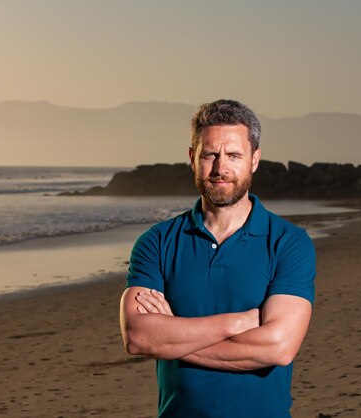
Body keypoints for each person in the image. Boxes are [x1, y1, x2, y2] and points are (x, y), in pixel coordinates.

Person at [119, 99, 316, 417]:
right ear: (192, 158)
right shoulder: (156, 242)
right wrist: (240, 322)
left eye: (234, 155)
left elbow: (279, 348)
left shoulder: (288, 243)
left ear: (254, 160)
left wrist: (173, 336)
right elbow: (139, 337)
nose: (220, 168)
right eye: (209, 154)